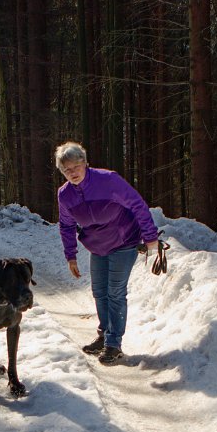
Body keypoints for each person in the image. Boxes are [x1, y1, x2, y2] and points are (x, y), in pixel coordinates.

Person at [56, 141, 160, 366]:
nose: (72, 173)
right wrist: (70, 255)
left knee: (115, 291)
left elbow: (138, 205)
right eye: (66, 170)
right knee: (99, 291)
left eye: (75, 167)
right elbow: (65, 225)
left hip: (124, 241)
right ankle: (105, 334)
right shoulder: (65, 195)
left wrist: (150, 235)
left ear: (85, 163)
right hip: (97, 246)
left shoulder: (108, 180)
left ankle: (114, 344)